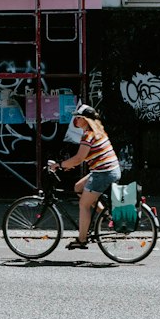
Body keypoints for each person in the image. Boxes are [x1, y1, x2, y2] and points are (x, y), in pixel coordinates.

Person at [52, 104, 122, 251]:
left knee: (84, 204)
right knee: (78, 187)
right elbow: (88, 156)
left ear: (85, 120)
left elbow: (79, 158)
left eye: (78, 118)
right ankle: (106, 214)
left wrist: (60, 165)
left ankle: (82, 239)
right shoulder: (97, 131)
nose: (75, 120)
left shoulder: (88, 134)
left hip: (103, 173)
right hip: (106, 170)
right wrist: (69, 164)